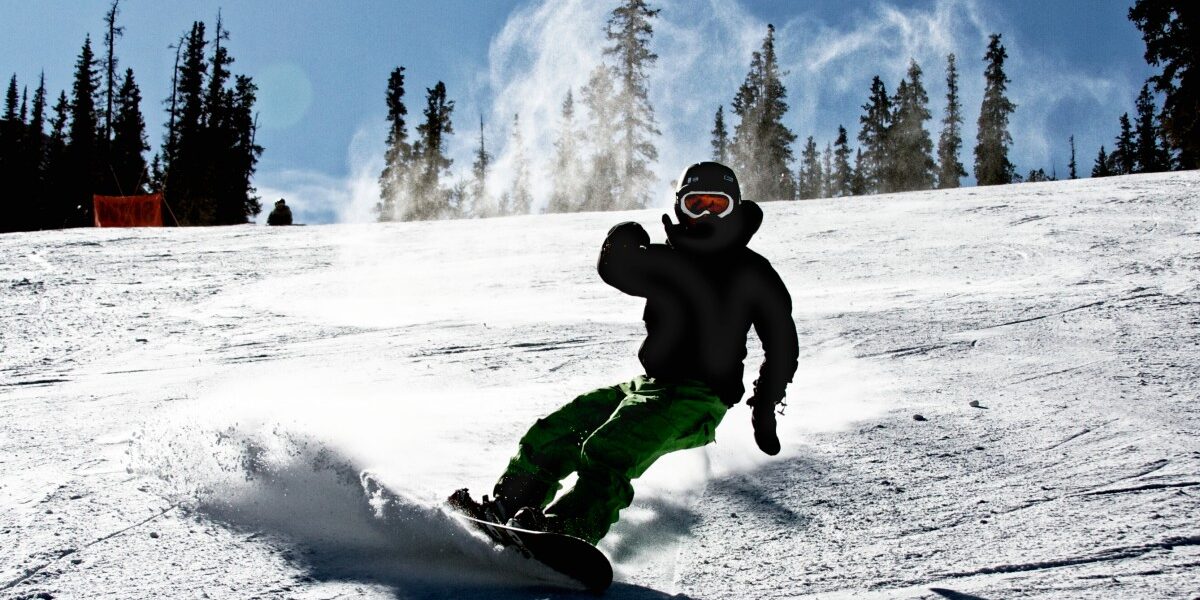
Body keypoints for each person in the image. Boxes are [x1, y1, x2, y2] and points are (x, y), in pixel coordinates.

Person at [449, 161, 799, 545]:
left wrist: (765, 407)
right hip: (650, 385)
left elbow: (781, 342)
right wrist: (620, 243)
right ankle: (508, 507)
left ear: (735, 209)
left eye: (716, 206)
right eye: (695, 205)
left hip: (700, 397)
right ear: (680, 208)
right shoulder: (670, 259)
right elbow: (619, 271)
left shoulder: (751, 271)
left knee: (615, 444)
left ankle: (569, 530)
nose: (705, 216)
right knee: (560, 431)